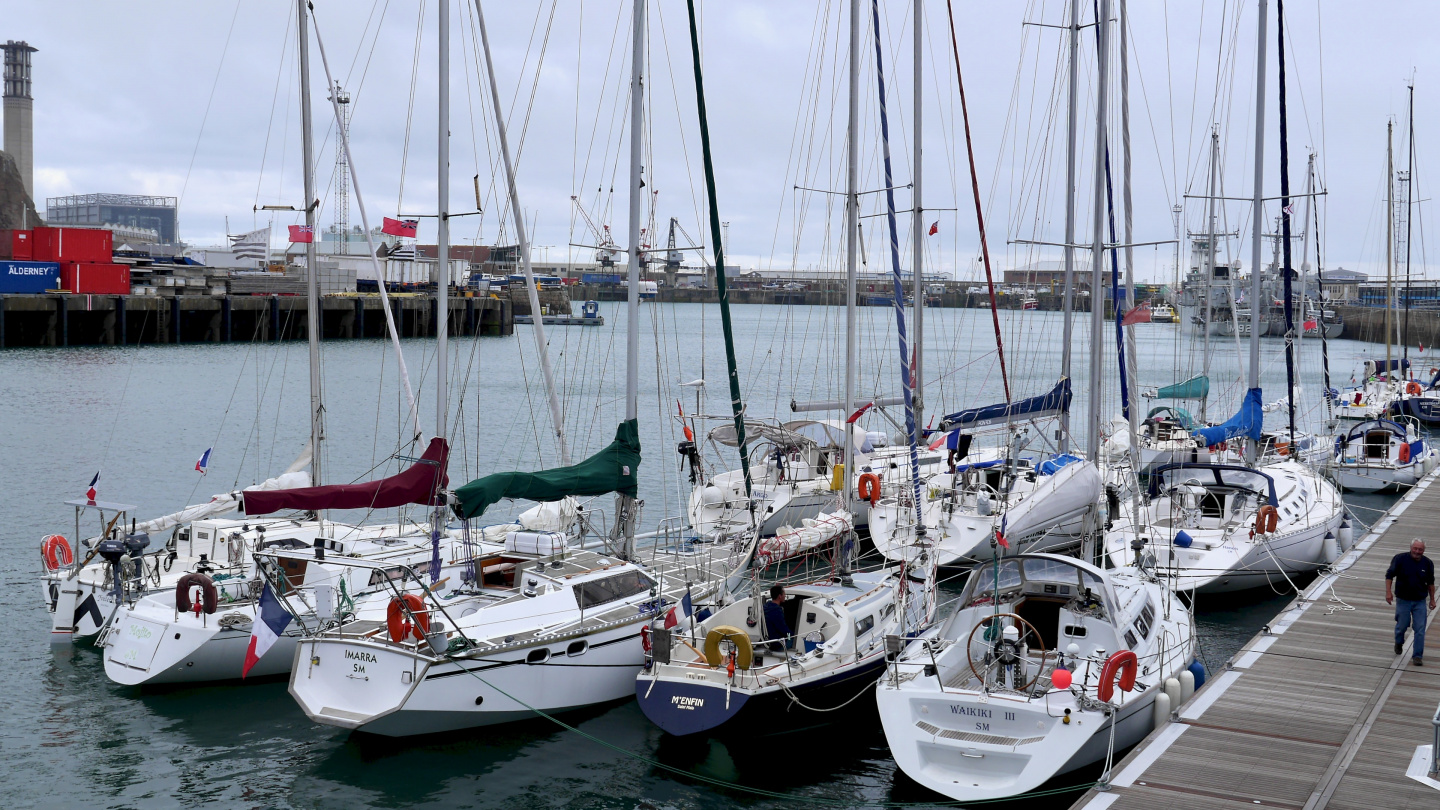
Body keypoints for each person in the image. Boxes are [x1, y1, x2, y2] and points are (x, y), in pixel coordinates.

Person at [1385, 537, 1436, 666]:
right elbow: (1389, 575)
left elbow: (1430, 583)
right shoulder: (1400, 559)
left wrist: (1432, 599)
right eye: (1415, 548)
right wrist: (1388, 592)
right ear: (1410, 548)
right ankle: (1398, 641)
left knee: (1420, 628)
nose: (1417, 551)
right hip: (1403, 600)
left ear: (1424, 550)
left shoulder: (1428, 563)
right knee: (1402, 625)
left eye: (1420, 549)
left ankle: (1417, 656)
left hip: (1419, 601)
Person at [763, 584, 791, 653]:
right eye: (784, 594)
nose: (785, 596)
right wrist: (791, 635)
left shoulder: (765, 607)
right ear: (779, 596)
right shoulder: (776, 611)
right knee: (793, 639)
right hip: (776, 644)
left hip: (766, 641)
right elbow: (783, 629)